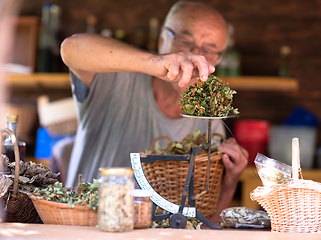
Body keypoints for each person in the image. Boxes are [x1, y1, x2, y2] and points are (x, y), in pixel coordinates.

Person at [60, 1, 248, 224]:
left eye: (207, 50)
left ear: (217, 59)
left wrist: (230, 181)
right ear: (162, 40)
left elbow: (204, 224)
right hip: (82, 226)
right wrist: (155, 63)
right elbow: (70, 48)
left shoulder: (209, 120)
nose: (193, 56)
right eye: (185, 41)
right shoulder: (114, 75)